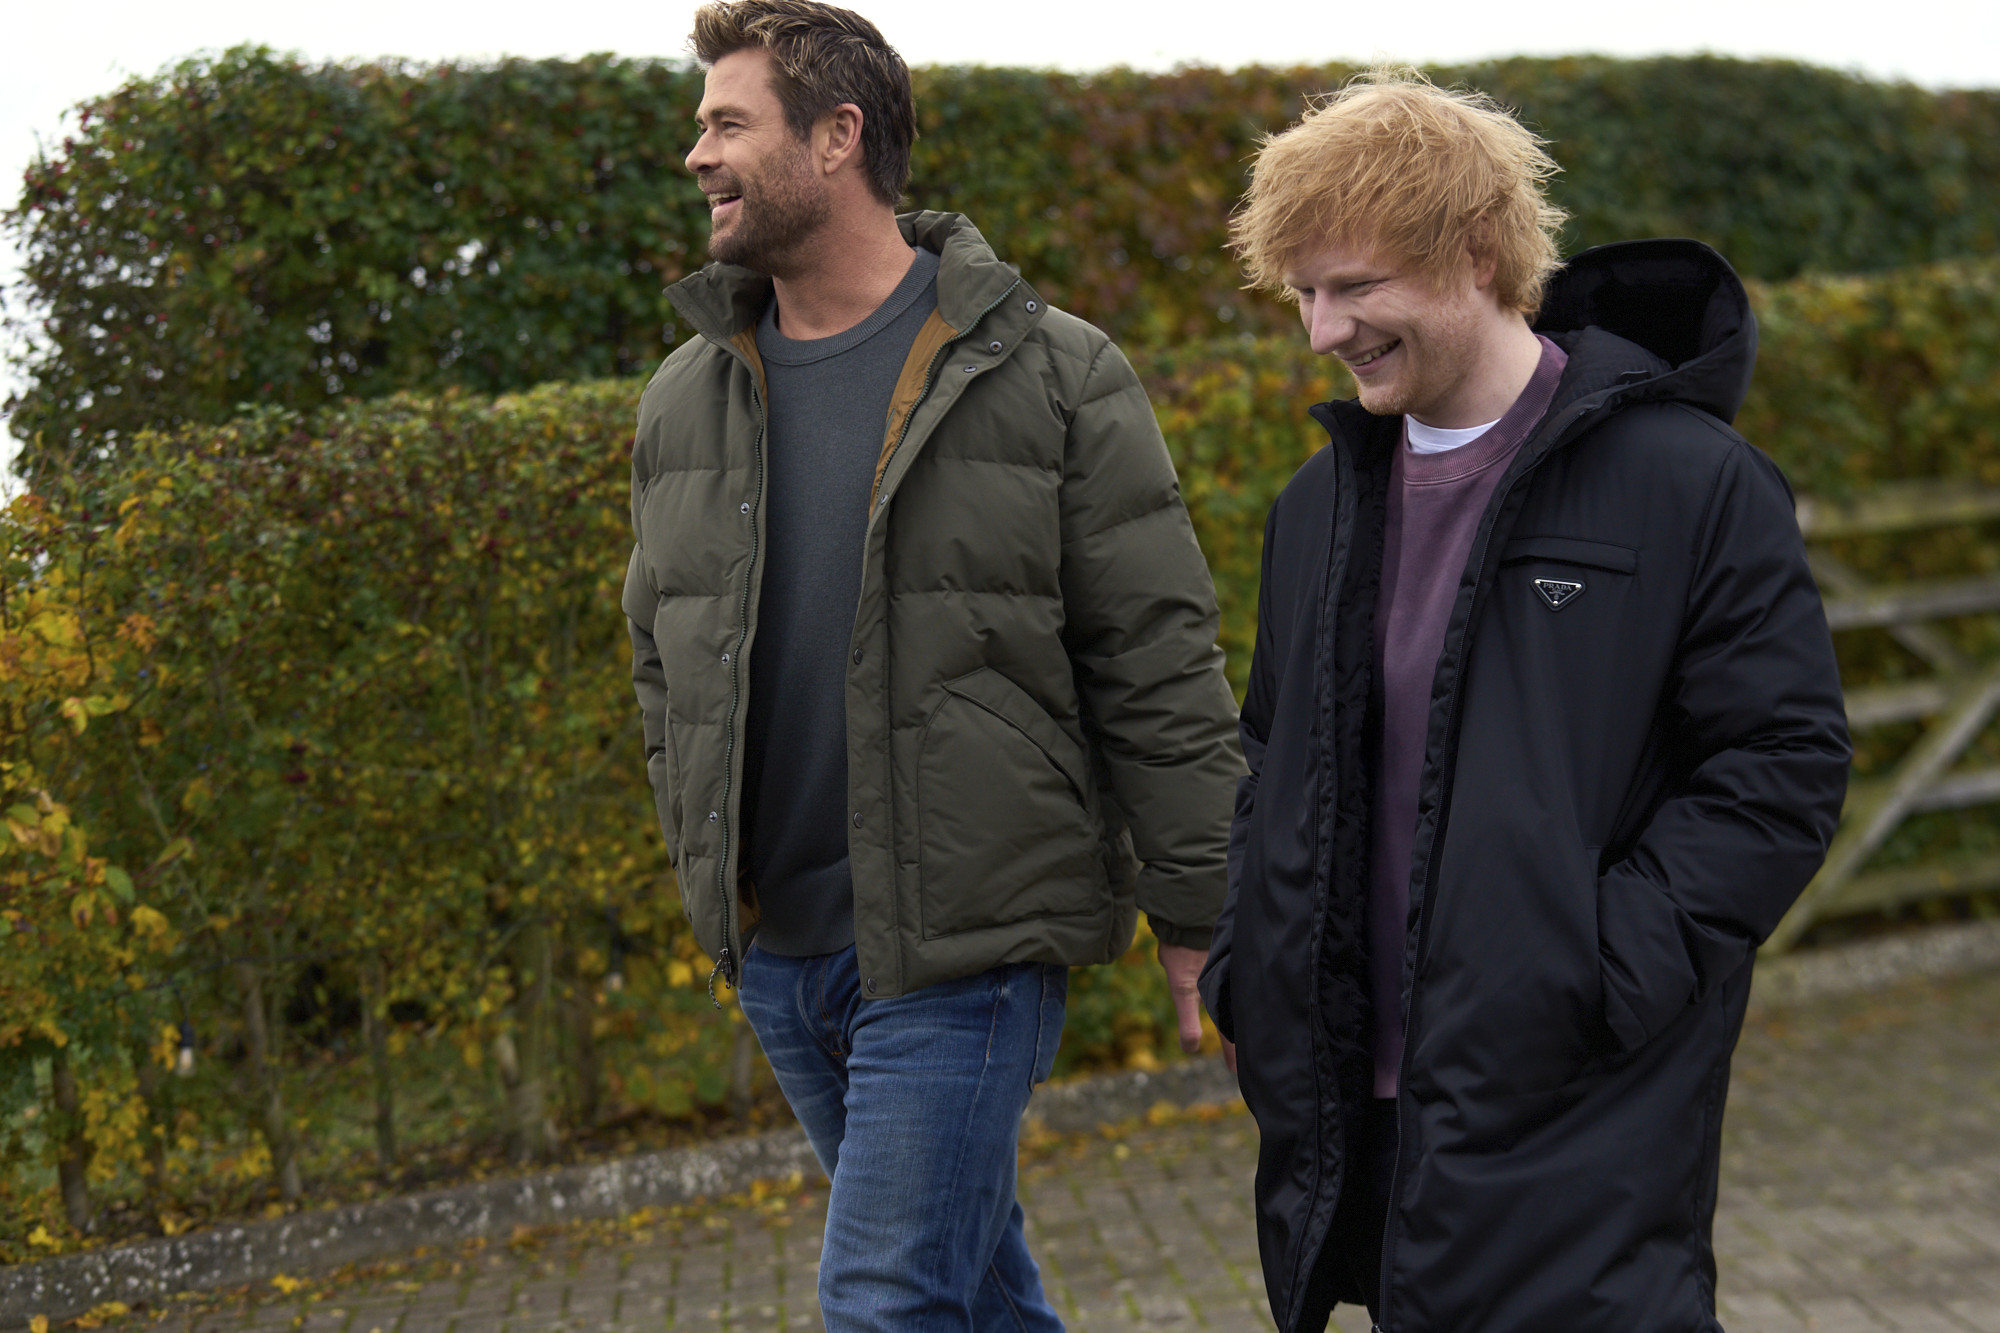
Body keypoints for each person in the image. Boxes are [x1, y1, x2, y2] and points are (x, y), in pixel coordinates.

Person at [1199, 69, 1851, 1333]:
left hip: (1578, 1105)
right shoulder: (1315, 505)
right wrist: (1249, 960)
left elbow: (1778, 765)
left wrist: (1596, 968)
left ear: (1476, 254)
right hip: (1351, 1116)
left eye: (1354, 287)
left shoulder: (1688, 482)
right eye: (1303, 295)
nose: (1322, 332)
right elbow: (1268, 750)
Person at [621, 2, 1242, 1327]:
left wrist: (1203, 908)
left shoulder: (1052, 371)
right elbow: (659, 650)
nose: (697, 155)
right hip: (782, 952)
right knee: (974, 1291)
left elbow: (1152, 654)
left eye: (728, 123)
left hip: (969, 945)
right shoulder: (686, 395)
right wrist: (707, 855)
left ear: (836, 136)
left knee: (885, 1299)